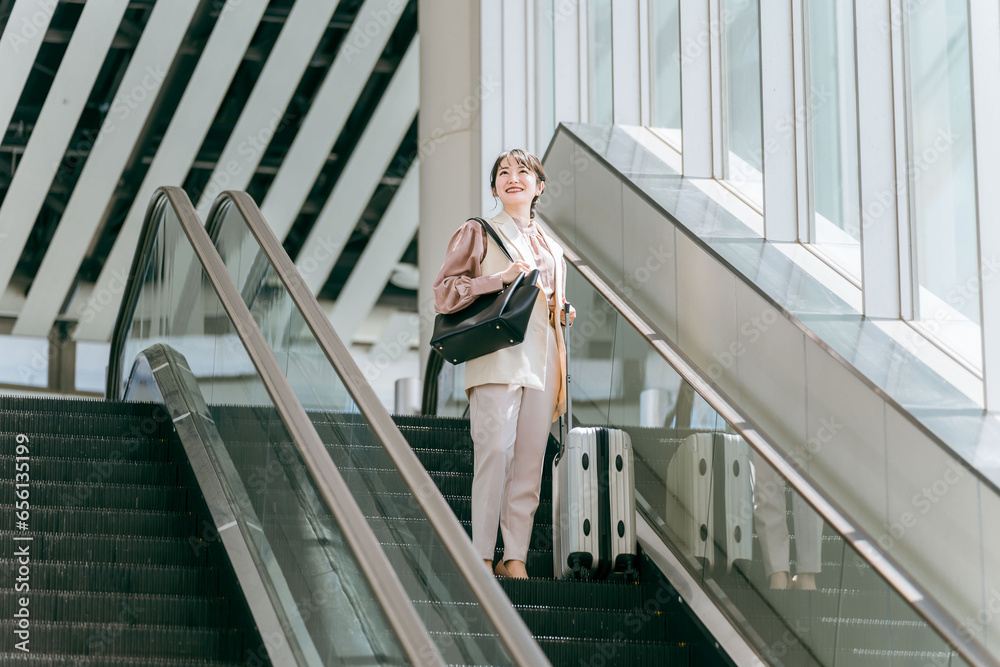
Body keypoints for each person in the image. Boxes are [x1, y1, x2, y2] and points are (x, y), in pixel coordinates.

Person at [433, 149, 575, 579]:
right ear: (495, 187)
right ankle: (480, 555)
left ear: (539, 186)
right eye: (503, 173)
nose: (512, 178)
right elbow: (444, 292)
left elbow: (548, 300)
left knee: (529, 461)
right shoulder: (477, 232)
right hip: (497, 355)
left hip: (545, 357)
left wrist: (562, 311)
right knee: (494, 451)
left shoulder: (553, 247)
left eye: (523, 172)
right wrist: (498, 279)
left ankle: (515, 557)